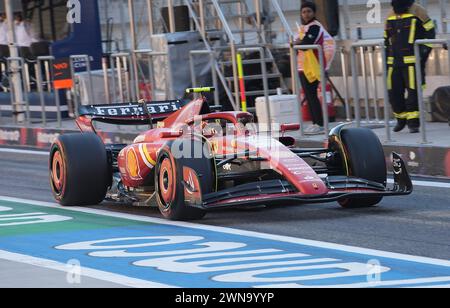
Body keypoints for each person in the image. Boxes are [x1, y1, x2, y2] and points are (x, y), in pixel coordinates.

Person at [385, 0, 436, 134]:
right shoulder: (391, 13)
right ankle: (401, 119)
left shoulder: (418, 10)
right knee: (394, 93)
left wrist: (423, 53)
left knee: (413, 94)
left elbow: (430, 31)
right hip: (393, 62)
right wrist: (386, 59)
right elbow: (386, 38)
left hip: (412, 62)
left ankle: (413, 123)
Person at [294, 1, 336, 135]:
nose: (306, 14)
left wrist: (297, 43)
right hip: (303, 67)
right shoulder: (302, 28)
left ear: (314, 13)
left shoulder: (315, 27)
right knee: (309, 95)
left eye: (309, 11)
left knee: (312, 95)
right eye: (304, 12)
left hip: (313, 67)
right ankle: (315, 122)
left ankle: (319, 123)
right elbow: (295, 44)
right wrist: (297, 43)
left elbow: (306, 43)